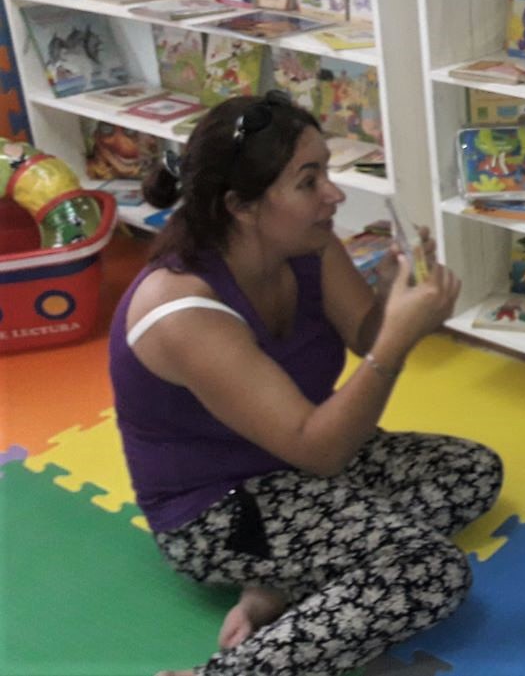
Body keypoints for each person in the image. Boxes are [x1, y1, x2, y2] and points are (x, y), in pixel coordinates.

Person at [108, 92, 502, 675]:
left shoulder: (305, 243)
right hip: (222, 509)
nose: (333, 194)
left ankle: (279, 583)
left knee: (473, 471)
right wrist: (400, 339)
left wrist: (394, 296)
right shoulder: (183, 311)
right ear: (241, 206)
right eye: (308, 180)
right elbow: (322, 450)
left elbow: (364, 336)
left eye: (327, 171)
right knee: (431, 571)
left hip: (299, 462)